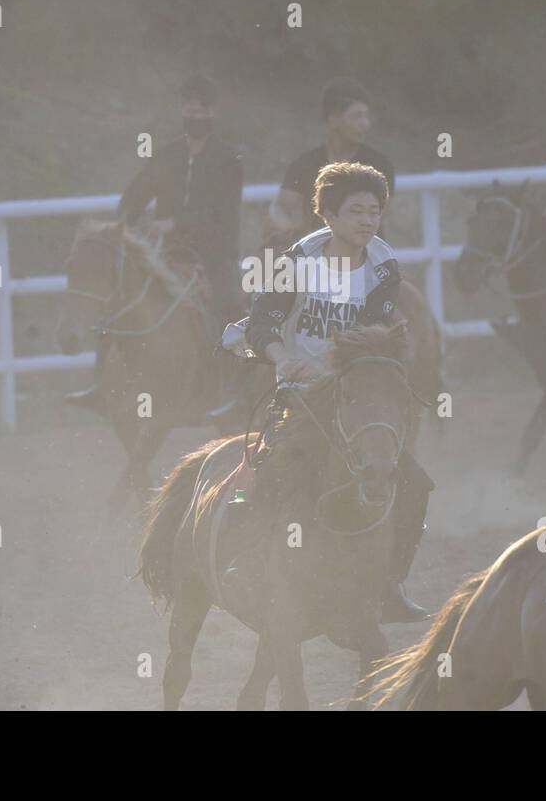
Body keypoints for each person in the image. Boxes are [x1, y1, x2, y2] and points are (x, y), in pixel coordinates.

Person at [241, 163, 430, 622]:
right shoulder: (295, 262)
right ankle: (245, 563)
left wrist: (334, 366)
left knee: (417, 483)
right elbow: (262, 321)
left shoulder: (384, 268)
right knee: (269, 475)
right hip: (300, 391)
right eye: (356, 211)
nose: (368, 220)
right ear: (327, 215)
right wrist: (283, 358)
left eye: (375, 211)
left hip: (351, 387)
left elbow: (369, 331)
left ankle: (390, 583)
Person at [70, 74, 245, 416]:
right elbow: (136, 193)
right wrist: (125, 220)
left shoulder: (228, 159)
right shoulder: (167, 154)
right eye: (189, 109)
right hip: (165, 254)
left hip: (215, 254)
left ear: (213, 112)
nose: (194, 116)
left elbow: (223, 213)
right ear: (182, 110)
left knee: (230, 305)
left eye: (201, 110)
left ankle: (233, 390)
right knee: (116, 297)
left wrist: (176, 223)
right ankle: (101, 385)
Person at [269, 78, 395, 242]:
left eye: (366, 116)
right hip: (317, 260)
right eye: (357, 116)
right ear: (333, 119)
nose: (365, 124)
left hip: (365, 258)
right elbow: (282, 207)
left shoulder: (378, 165)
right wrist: (289, 227)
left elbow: (382, 211)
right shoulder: (306, 164)